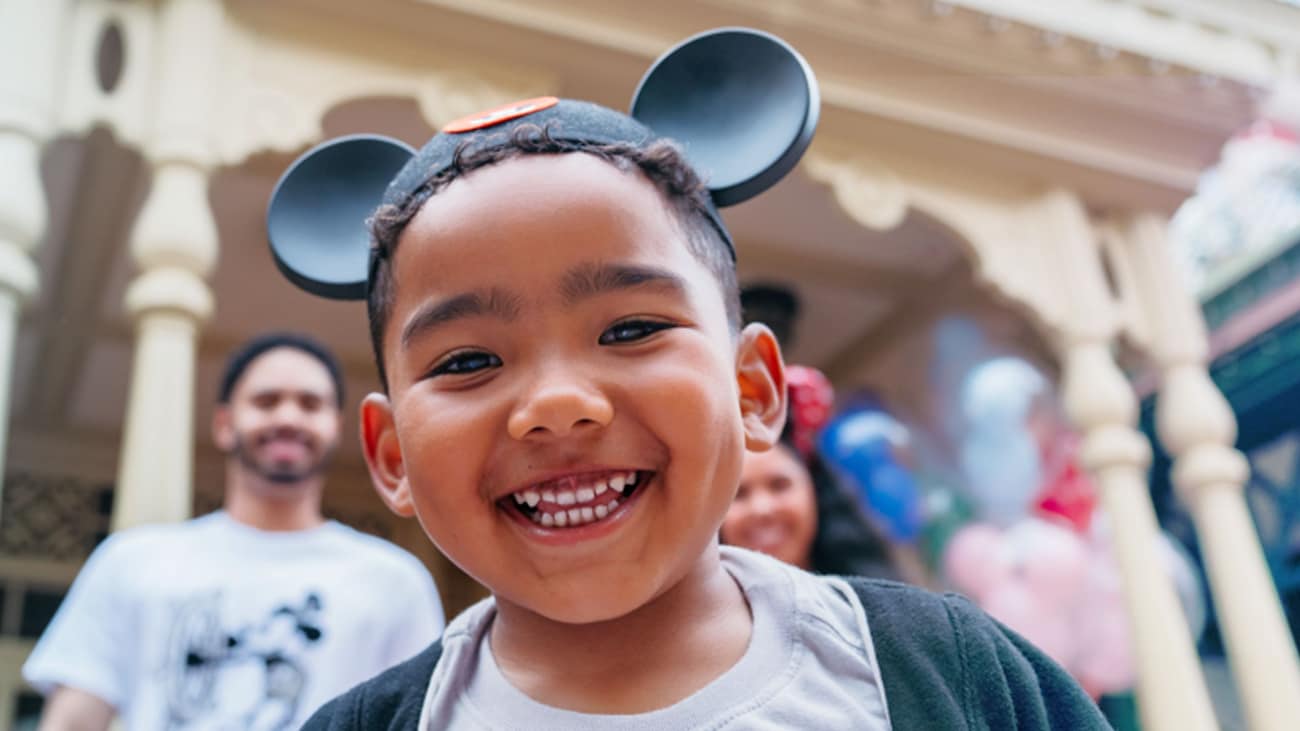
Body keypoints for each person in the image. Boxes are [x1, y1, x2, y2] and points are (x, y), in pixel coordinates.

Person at [270, 34, 1109, 727]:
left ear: (754, 389)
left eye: (631, 329)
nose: (557, 403)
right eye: (467, 361)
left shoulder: (946, 673)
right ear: (389, 456)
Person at [24, 333, 445, 731]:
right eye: (266, 401)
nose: (288, 416)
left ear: (336, 426)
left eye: (309, 404)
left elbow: (420, 720)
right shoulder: (131, 561)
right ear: (225, 424)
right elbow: (72, 722)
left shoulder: (394, 581)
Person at [722, 425, 899, 580]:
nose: (762, 508)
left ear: (815, 490)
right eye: (739, 494)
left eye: (779, 485)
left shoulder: (876, 607)